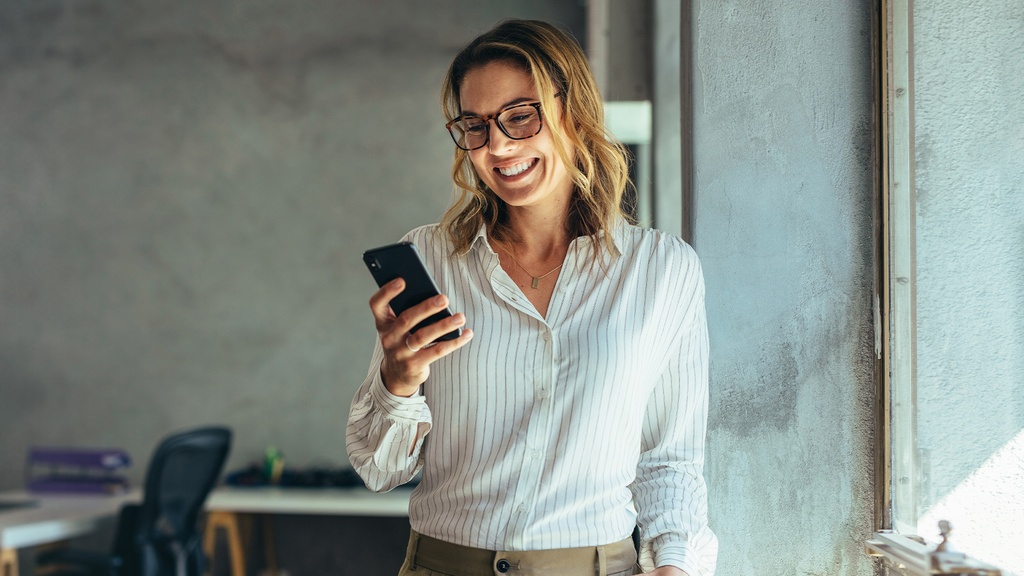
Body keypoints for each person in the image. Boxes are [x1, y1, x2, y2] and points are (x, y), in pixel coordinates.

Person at [346, 18, 717, 576]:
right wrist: (397, 381)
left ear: (574, 111)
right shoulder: (430, 259)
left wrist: (674, 565)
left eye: (520, 115)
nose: (497, 146)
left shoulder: (663, 270)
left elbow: (671, 461)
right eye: (475, 126)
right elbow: (381, 470)